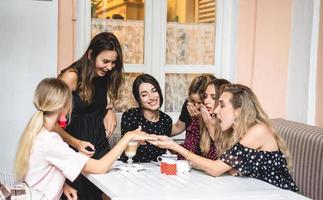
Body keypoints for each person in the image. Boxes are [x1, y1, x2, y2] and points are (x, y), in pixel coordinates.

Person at [14, 78, 154, 200]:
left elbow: (39, 173)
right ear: (64, 105)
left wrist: (63, 185)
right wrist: (128, 137)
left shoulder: (37, 132)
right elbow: (100, 167)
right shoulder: (50, 141)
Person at [151, 84, 298, 192]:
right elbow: (222, 164)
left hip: (280, 195)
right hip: (256, 192)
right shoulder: (237, 132)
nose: (215, 110)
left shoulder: (257, 131)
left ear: (237, 111)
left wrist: (174, 146)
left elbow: (216, 168)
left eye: (221, 105)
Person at [56, 32, 124, 199]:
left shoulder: (105, 76)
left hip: (99, 146)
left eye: (113, 62)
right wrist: (76, 143)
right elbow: (49, 122)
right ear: (91, 54)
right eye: (105, 61)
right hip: (74, 149)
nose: (109, 67)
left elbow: (99, 103)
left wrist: (110, 110)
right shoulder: (71, 77)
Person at [120, 73, 172, 163]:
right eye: (144, 95)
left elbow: (163, 154)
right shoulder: (130, 116)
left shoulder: (166, 120)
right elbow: (123, 150)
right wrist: (136, 142)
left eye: (154, 91)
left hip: (156, 171)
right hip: (131, 168)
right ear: (138, 99)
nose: (152, 97)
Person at [179, 77, 230, 160]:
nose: (206, 101)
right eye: (205, 97)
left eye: (213, 97)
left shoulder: (231, 124)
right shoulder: (199, 121)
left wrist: (211, 129)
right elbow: (185, 154)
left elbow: (230, 161)